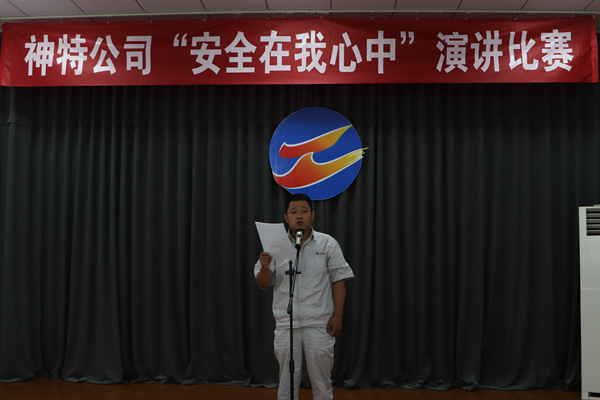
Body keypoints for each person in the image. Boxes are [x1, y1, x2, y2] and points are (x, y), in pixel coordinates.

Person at [255, 193, 354, 400]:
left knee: (322, 382)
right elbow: (263, 283)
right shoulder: (275, 245)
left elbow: (339, 280)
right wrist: (264, 268)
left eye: (304, 211)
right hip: (286, 323)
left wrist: (338, 316)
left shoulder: (327, 243)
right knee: (286, 382)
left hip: (318, 322)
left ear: (313, 215)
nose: (299, 215)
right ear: (286, 217)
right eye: (293, 212)